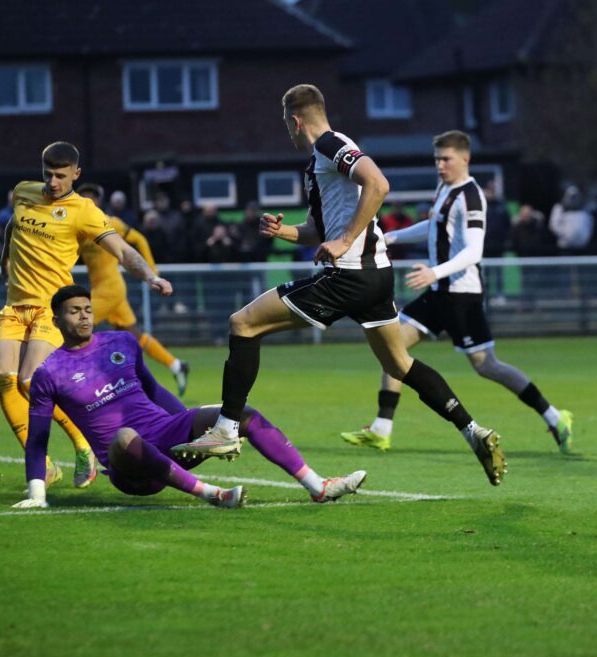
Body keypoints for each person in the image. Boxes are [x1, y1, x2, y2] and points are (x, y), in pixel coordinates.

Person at [178, 84, 507, 486]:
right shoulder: (324, 158)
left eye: (287, 125)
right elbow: (320, 230)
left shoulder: (332, 145)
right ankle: (473, 431)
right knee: (398, 363)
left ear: (295, 121)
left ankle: (227, 427)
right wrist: (285, 233)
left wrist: (346, 240)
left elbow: (378, 184)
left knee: (243, 323)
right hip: (374, 277)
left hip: (348, 276)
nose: (288, 132)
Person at [12, 285, 367, 509]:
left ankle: (318, 486)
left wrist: (189, 428)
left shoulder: (120, 342)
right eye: (74, 311)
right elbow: (38, 437)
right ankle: (211, 493)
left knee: (240, 412)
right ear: (56, 321)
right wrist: (37, 493)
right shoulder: (48, 373)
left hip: (165, 436)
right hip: (129, 468)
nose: (84, 316)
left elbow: (153, 390)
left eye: (87, 309)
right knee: (124, 438)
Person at [340, 130, 574, 455]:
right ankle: (382, 428)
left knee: (486, 366)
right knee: (392, 348)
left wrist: (434, 271)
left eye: (446, 159)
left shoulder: (471, 196)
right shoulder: (444, 188)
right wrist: (390, 238)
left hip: (462, 295)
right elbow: (433, 227)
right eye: (437, 158)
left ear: (465, 158)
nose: (440, 165)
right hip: (438, 292)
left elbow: (474, 251)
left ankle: (554, 415)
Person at [0, 141, 172, 493]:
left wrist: (150, 276)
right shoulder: (24, 192)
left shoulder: (84, 210)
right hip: (15, 306)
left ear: (77, 173)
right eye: (48, 174)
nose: (53, 182)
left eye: (61, 175)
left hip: (50, 307)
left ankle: (83, 445)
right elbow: (12, 228)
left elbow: (121, 249)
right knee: (2, 376)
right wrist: (5, 263)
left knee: (30, 381)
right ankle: (44, 466)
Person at [75, 183, 190, 395]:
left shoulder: (110, 222)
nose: (88, 201)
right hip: (106, 289)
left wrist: (152, 273)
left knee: (75, 327)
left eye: (92, 197)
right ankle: (176, 365)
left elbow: (139, 239)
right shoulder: (78, 226)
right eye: (84, 197)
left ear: (99, 202)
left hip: (110, 289)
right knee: (133, 334)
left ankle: (84, 385)